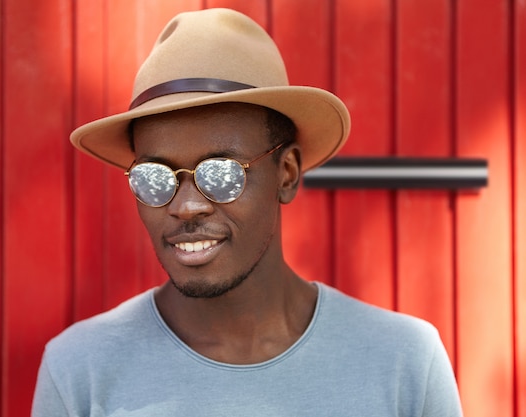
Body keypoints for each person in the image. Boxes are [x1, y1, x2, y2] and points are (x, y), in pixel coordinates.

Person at [32, 8, 462, 416]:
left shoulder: (405, 363)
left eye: (220, 173)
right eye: (155, 178)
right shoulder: (79, 371)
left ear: (287, 173)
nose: (185, 206)